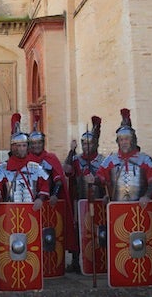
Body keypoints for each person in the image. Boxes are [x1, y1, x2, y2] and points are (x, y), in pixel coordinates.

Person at [85, 108, 152, 207]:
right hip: (117, 207)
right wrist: (94, 180)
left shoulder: (145, 159)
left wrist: (147, 196)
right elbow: (101, 177)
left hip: (140, 207)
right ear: (118, 142)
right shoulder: (110, 160)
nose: (124, 142)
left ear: (133, 140)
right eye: (121, 140)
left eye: (127, 139)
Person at [28, 115, 79, 257]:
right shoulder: (26, 160)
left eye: (39, 143)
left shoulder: (50, 158)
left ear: (43, 143)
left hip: (49, 202)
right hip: (30, 202)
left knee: (50, 234)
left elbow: (58, 180)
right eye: (34, 143)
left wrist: (55, 194)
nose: (36, 146)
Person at [63, 115, 106, 273]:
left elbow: (106, 180)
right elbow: (67, 170)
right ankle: (76, 261)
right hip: (79, 201)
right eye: (84, 143)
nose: (86, 146)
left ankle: (101, 260)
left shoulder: (103, 161)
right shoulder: (77, 159)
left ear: (95, 144)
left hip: (98, 201)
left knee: (99, 231)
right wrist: (71, 150)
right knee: (78, 231)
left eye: (89, 143)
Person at [0, 113, 49, 210]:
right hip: (9, 213)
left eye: (24, 145)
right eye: (18, 145)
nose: (21, 149)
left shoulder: (35, 167)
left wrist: (40, 199)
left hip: (32, 211)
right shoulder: (3, 168)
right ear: (13, 147)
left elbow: (44, 185)